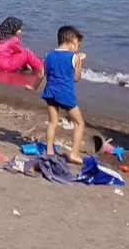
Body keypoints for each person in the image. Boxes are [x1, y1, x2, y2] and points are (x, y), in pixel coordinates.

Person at [36, 26, 87, 163]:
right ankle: (74, 154)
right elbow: (76, 78)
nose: (77, 48)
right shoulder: (74, 57)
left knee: (53, 122)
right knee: (79, 123)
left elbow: (42, 74)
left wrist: (34, 87)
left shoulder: (49, 55)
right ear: (71, 41)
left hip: (50, 93)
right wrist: (79, 62)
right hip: (65, 95)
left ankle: (50, 151)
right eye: (77, 45)